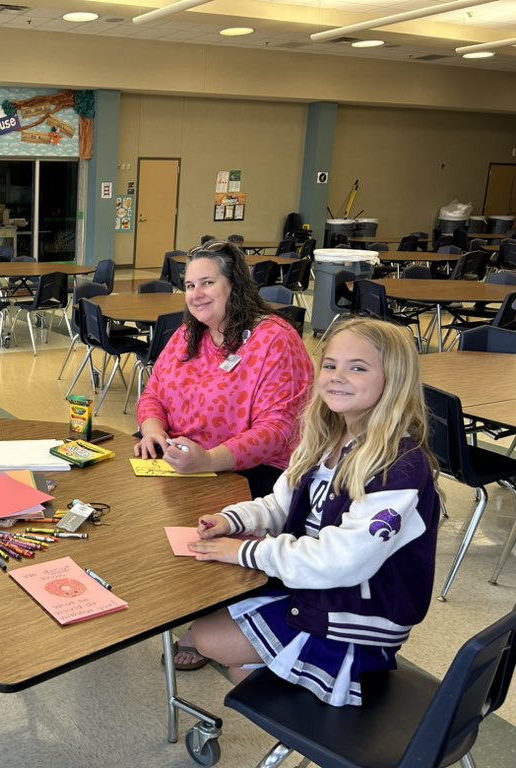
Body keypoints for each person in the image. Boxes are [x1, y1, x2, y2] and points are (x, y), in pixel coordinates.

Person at [182, 317, 440, 707]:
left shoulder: (399, 466)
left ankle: (304, 691)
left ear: (395, 380)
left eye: (357, 367)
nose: (337, 376)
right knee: (214, 622)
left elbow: (340, 562)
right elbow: (280, 502)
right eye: (331, 365)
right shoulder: (327, 439)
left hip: (359, 619)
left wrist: (243, 551)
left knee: (207, 636)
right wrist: (234, 520)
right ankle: (274, 676)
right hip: (322, 584)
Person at [134, 240, 313, 498]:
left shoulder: (275, 339)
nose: (196, 295)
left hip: (250, 472)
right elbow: (153, 394)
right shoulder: (188, 334)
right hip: (180, 460)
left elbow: (276, 430)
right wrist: (153, 432)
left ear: (235, 286)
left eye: (208, 283)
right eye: (190, 286)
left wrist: (207, 460)